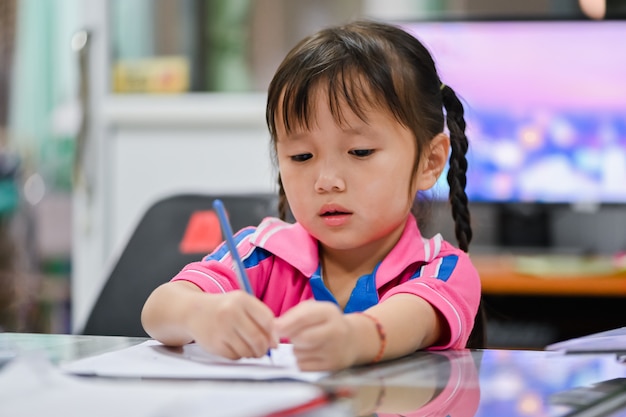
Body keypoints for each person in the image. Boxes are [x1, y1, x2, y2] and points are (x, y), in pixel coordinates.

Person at [141, 20, 481, 371]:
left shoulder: (442, 270)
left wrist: (354, 338)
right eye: (301, 156)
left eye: (360, 152)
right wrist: (203, 315)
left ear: (430, 161)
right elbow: (158, 309)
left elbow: (411, 318)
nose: (326, 181)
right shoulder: (261, 252)